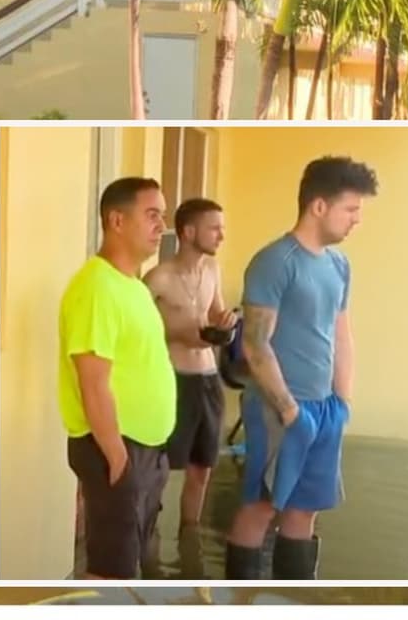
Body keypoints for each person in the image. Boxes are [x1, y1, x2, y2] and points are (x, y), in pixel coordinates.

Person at [224, 156, 378, 580]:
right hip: (278, 408)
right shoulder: (276, 261)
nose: (356, 220)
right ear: (319, 207)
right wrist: (290, 411)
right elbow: (255, 345)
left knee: (305, 511)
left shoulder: (338, 265)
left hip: (324, 407)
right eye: (351, 209)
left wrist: (342, 401)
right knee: (260, 508)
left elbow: (341, 333)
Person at [58, 177, 176, 580]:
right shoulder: (96, 287)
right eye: (151, 215)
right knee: (111, 573)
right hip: (117, 448)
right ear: (117, 221)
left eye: (163, 215)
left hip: (145, 449)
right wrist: (117, 459)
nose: (162, 225)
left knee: (127, 566)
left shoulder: (133, 287)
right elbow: (92, 381)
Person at [142, 197, 236, 576]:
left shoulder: (212, 269)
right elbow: (139, 331)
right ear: (188, 231)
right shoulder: (157, 278)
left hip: (209, 380)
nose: (222, 235)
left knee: (202, 468)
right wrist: (175, 332)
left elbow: (216, 313)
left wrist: (224, 323)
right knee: (161, 466)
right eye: (215, 227)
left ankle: (189, 545)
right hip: (173, 380)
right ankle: (147, 545)